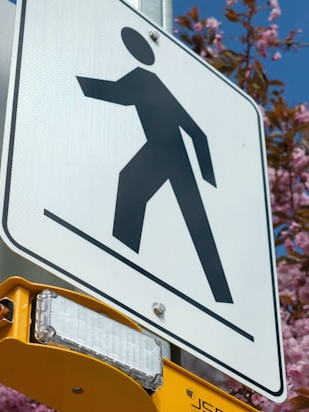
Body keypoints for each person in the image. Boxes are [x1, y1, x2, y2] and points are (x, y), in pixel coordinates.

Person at [77, 27, 233, 303]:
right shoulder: (150, 80)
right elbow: (197, 134)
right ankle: (125, 264)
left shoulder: (145, 80)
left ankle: (221, 295)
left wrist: (210, 179)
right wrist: (207, 176)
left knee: (195, 221)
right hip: (165, 150)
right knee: (145, 194)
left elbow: (117, 94)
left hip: (168, 151)